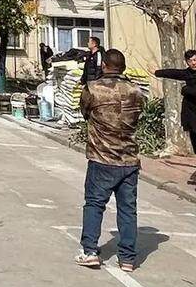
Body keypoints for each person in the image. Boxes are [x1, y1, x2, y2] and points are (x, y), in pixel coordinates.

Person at [76, 48, 144, 272]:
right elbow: (137, 116)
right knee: (128, 209)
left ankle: (89, 251)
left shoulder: (92, 89)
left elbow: (85, 113)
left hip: (102, 157)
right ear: (123, 67)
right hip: (129, 159)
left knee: (95, 204)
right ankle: (127, 258)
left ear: (104, 65)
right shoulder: (136, 90)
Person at [155, 50, 196, 154]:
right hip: (191, 113)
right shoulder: (187, 73)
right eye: (190, 61)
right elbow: (173, 73)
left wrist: (185, 90)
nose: (193, 63)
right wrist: (156, 72)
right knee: (194, 138)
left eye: (195, 60)